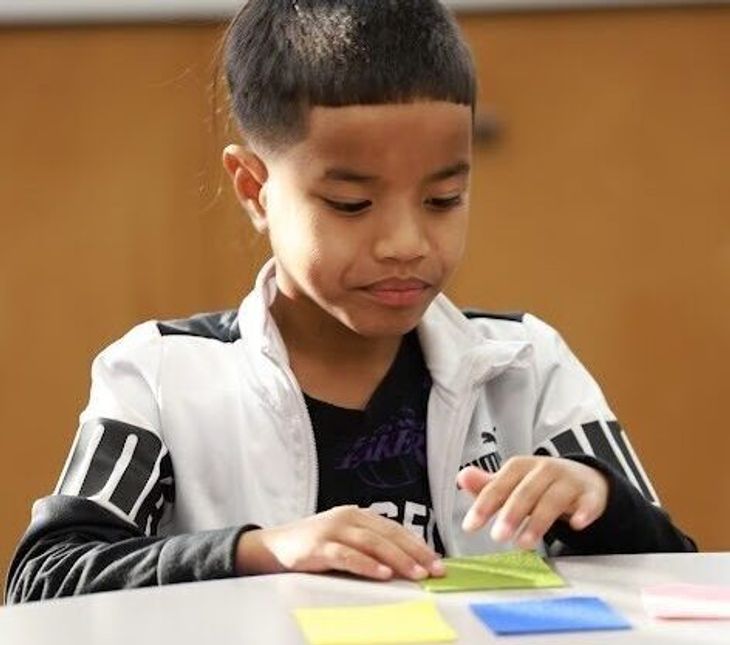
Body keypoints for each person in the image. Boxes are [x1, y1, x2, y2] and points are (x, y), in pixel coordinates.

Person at [5, 0, 695, 604]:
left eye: (443, 199)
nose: (405, 242)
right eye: (351, 203)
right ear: (253, 190)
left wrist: (600, 501)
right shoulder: (162, 375)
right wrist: (259, 550)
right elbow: (43, 578)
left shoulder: (525, 366)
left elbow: (686, 582)